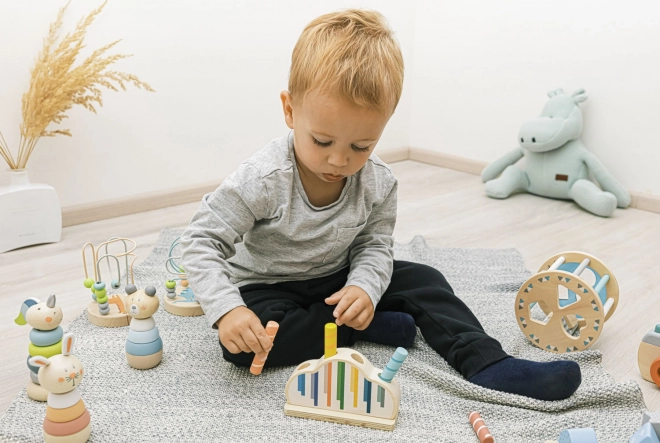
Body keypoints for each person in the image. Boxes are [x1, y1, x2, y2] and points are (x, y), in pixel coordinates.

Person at [180, 9, 581, 401]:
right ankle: (364, 328)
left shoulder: (379, 181)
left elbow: (374, 245)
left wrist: (364, 288)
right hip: (268, 287)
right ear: (289, 110)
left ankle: (487, 362)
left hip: (339, 278)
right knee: (243, 347)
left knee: (425, 280)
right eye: (322, 142)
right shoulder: (262, 179)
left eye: (361, 146)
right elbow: (200, 241)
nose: (339, 161)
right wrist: (228, 310)